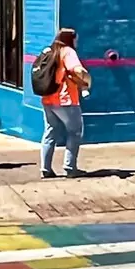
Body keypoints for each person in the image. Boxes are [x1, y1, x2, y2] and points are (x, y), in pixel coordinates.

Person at [40, 27, 89, 179]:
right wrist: (87, 78)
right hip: (66, 100)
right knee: (75, 132)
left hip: (48, 99)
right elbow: (77, 69)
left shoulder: (49, 51)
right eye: (76, 39)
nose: (77, 42)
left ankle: (45, 169)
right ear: (70, 39)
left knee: (50, 133)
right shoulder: (67, 51)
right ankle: (70, 167)